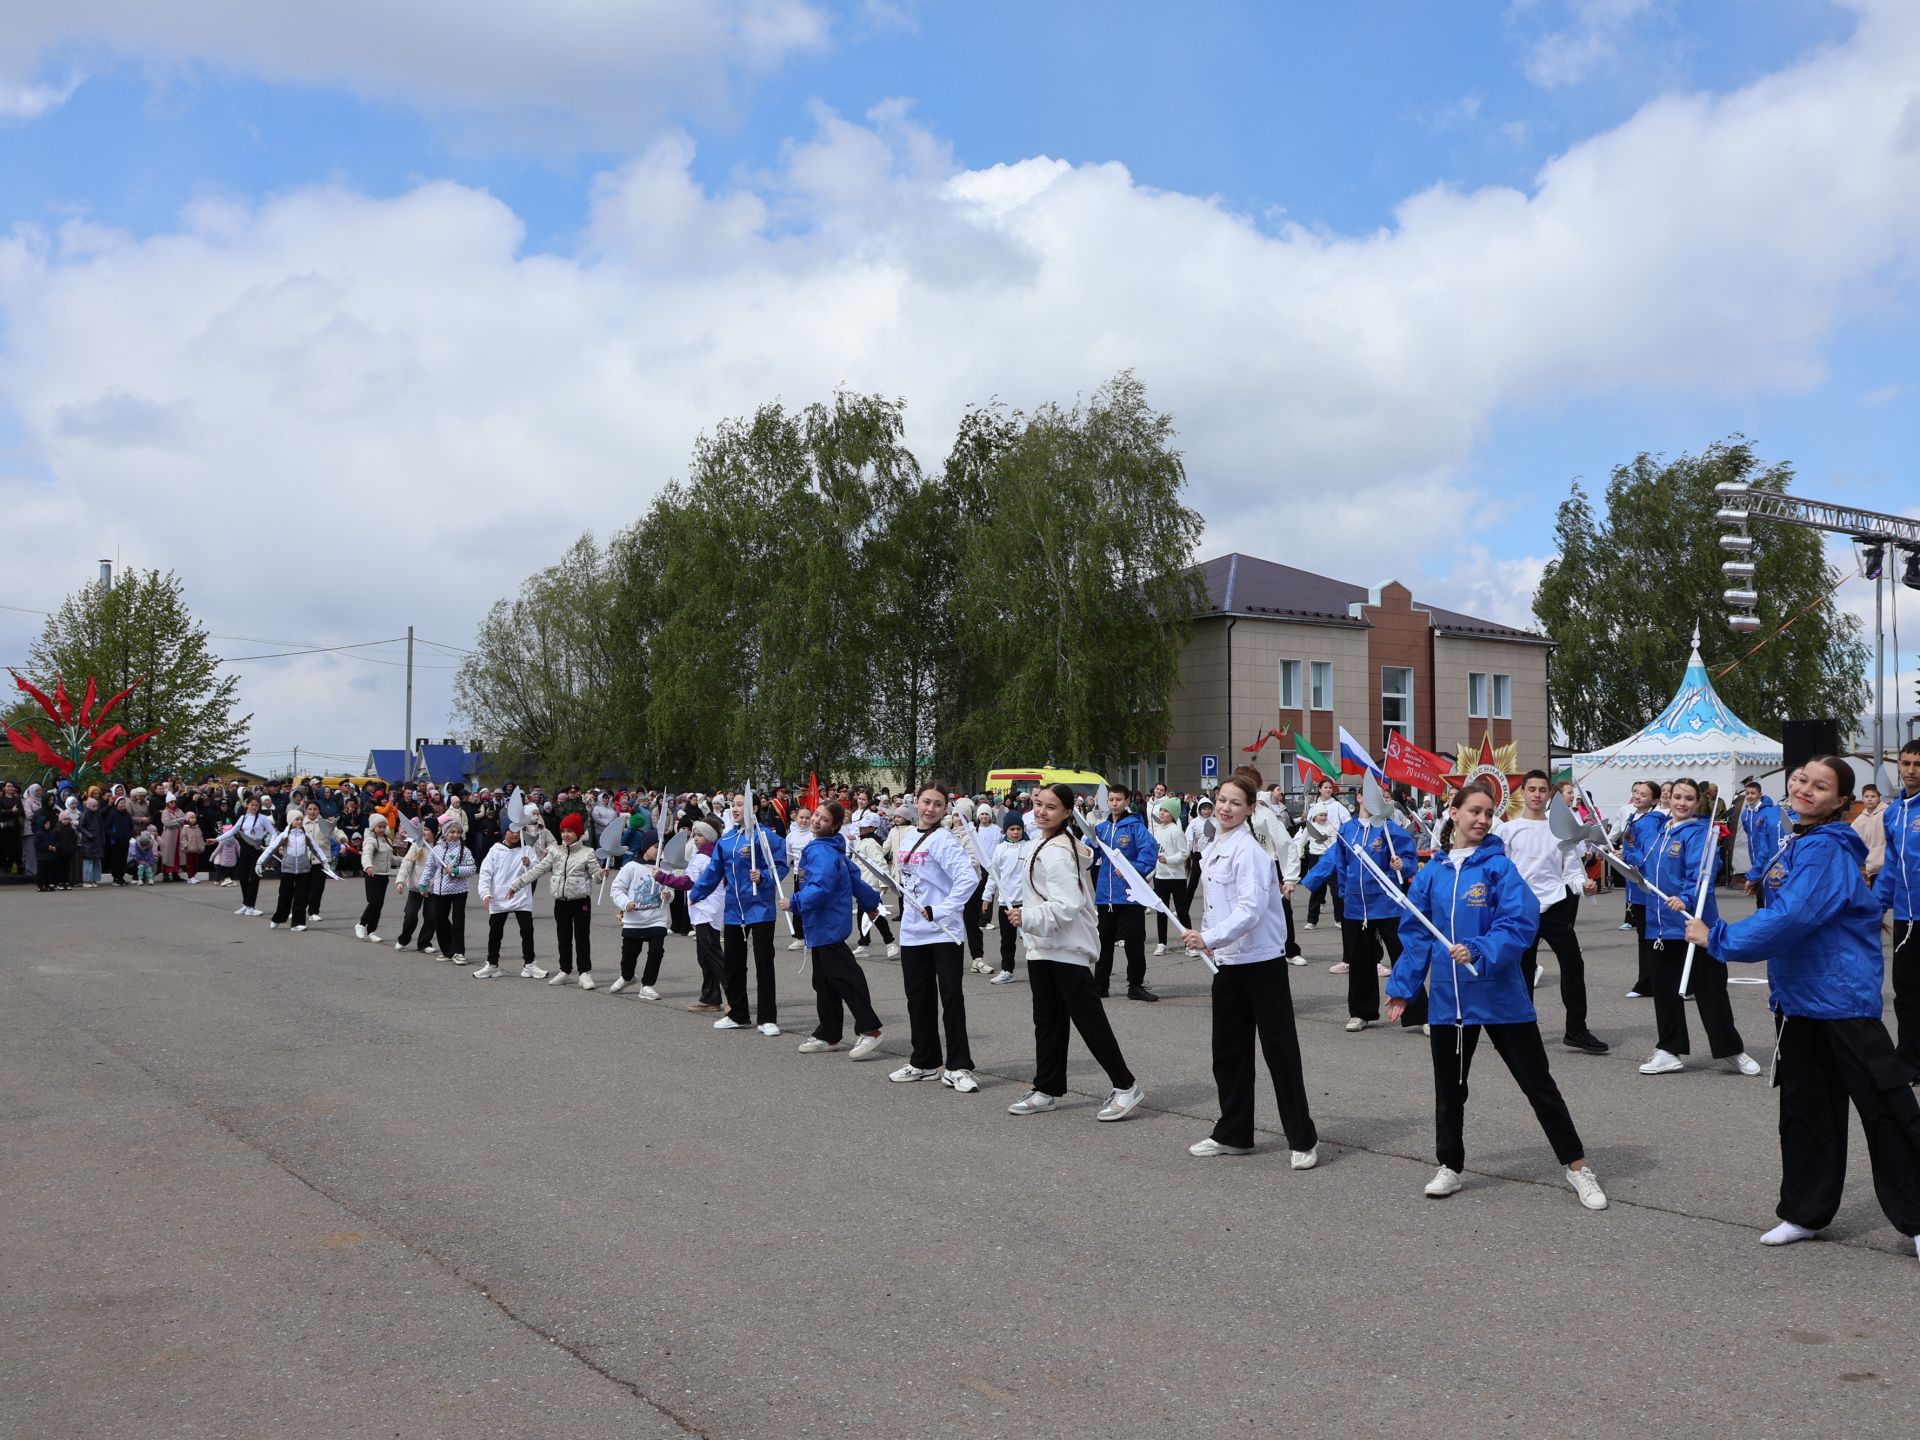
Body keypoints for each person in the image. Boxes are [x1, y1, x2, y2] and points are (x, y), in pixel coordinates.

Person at [1688, 755, 1920, 1256]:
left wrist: (1720, 938)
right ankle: (1805, 1212)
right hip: (1796, 1000)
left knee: (1887, 1108)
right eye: (1801, 780)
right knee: (1805, 1110)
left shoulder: (1828, 850)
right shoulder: (1798, 841)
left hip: (1841, 998)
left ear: (1841, 801)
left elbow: (1795, 916)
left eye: (1820, 786)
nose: (1805, 789)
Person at [1385, 780, 1609, 1211]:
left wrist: (1479, 949)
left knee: (1538, 1085)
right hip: (1452, 1002)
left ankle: (1578, 1167)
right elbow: (1415, 936)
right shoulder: (1431, 873)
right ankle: (1449, 1165)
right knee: (1450, 1089)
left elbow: (1519, 925)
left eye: (1488, 813)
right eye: (1474, 811)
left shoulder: (1500, 868)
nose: (1482, 820)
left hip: (1503, 996)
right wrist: (1402, 988)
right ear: (1453, 813)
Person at [1181, 767, 1318, 1164]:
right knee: (1228, 1053)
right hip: (1227, 965)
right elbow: (1215, 907)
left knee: (1280, 1053)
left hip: (1262, 965)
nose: (1225, 808)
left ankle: (1302, 1139)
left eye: (1235, 803)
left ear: (1250, 809)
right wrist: (1210, 942)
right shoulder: (1214, 848)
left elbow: (1251, 910)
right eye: (1221, 800)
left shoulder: (1252, 853)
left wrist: (1209, 938)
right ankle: (1234, 1133)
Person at [1003, 782, 1145, 1121]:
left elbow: (1068, 904)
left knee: (1089, 1021)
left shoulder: (1058, 851)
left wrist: (1028, 916)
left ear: (1068, 813)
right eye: (1039, 804)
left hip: (1066, 948)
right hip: (1043, 946)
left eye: (1051, 807)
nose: (1041, 811)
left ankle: (1126, 1086)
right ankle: (1046, 1088)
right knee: (1047, 1022)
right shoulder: (1045, 841)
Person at [1637, 777, 1761, 1078]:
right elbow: (1645, 865)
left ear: (1697, 803)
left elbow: (1702, 875)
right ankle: (1669, 1049)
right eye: (1676, 796)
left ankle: (1731, 1050)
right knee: (1665, 991)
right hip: (1660, 925)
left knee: (1711, 989)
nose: (1681, 803)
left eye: (1688, 798)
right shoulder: (1659, 832)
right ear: (1668, 799)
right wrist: (1624, 860)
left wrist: (1687, 898)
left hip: (1697, 923)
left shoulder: (1702, 834)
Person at [1488, 771, 1607, 1053]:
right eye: (1532, 789)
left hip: (1555, 906)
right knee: (1522, 971)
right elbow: (1495, 871)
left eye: (1543, 789)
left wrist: (1584, 885)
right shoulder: (1506, 830)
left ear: (1549, 795)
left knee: (1573, 966)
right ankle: (1521, 1029)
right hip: (1520, 909)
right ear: (1523, 793)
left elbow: (1572, 870)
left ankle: (1576, 1030)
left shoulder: (1561, 831)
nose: (1537, 794)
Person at [1299, 792, 1421, 1032]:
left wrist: (1402, 864)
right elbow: (1336, 860)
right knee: (1360, 961)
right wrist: (1307, 882)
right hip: (1356, 907)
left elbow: (1409, 859)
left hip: (1388, 904)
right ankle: (1361, 1012)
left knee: (1403, 957)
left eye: (1384, 796)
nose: (1380, 799)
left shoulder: (1390, 829)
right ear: (1359, 797)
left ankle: (1420, 1013)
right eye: (1375, 794)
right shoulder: (1347, 830)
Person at [886, 782, 979, 1091]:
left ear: (945, 809)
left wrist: (940, 910)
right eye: (926, 802)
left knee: (951, 998)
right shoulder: (909, 836)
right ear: (917, 804)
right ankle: (924, 1061)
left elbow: (968, 879)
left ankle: (958, 1066)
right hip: (912, 933)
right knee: (918, 1000)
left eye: (937, 804)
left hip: (943, 932)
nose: (930, 809)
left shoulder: (945, 841)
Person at [784, 799, 887, 1059]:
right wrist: (871, 902)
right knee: (824, 982)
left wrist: (794, 902)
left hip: (827, 925)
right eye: (817, 815)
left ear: (834, 826)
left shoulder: (822, 851)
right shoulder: (831, 849)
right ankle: (828, 1034)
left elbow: (820, 887)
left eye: (824, 819)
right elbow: (854, 878)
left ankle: (870, 1029)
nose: (817, 820)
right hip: (821, 927)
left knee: (846, 978)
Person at [684, 795, 787, 1032]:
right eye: (734, 805)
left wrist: (763, 877)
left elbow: (780, 866)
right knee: (733, 964)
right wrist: (696, 893)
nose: (736, 809)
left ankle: (767, 1018)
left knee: (764, 963)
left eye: (741, 804)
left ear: (754, 808)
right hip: (733, 910)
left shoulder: (766, 837)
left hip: (760, 908)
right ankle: (738, 1014)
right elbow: (713, 872)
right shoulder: (727, 840)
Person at [510, 811, 603, 989]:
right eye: (563, 831)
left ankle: (584, 973)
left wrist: (601, 874)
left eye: (570, 831)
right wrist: (516, 884)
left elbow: (597, 877)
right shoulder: (554, 851)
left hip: (581, 901)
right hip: (561, 902)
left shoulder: (587, 852)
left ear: (578, 832)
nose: (565, 835)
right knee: (563, 937)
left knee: (582, 937)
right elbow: (537, 870)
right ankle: (565, 971)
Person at [1091, 782, 1160, 1001]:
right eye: (1111, 799)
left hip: (1131, 896)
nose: (1114, 803)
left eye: (1118, 799)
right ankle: (1100, 985)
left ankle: (1136, 986)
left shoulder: (1135, 826)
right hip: (1106, 896)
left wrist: (1132, 869)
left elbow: (1149, 852)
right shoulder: (1100, 828)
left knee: (1134, 943)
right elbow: (1087, 853)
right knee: (1103, 943)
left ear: (1127, 801)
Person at [1875, 738, 1920, 1073]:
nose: (1911, 771)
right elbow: (1891, 866)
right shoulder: (1893, 813)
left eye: (1917, 764)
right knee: (1906, 994)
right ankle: (1909, 1061)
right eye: (1906, 764)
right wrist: (1876, 906)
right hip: (1906, 918)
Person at [476, 819, 546, 979]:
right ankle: (492, 964)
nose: (514, 835)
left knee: (527, 930)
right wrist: (485, 893)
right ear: (504, 832)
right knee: (495, 931)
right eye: (511, 831)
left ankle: (529, 965)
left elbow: (537, 871)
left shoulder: (527, 849)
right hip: (499, 897)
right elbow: (485, 873)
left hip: (521, 896)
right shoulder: (495, 850)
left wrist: (529, 864)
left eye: (517, 831)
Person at [1613, 780, 1663, 994]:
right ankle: (1647, 981)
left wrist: (1626, 854)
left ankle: (1648, 983)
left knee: (1647, 936)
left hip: (1646, 884)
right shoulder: (1634, 817)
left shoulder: (1651, 822)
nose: (1638, 796)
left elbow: (1646, 856)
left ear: (1653, 800)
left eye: (1644, 794)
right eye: (1635, 792)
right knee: (1643, 935)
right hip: (1635, 883)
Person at [979, 813, 1030, 984]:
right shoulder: (1000, 849)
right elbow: (993, 876)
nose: (1015, 832)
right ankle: (1007, 970)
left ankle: (1042, 971)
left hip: (1027, 902)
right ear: (1005, 831)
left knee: (1033, 939)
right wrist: (987, 896)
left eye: (1018, 829)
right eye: (1012, 829)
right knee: (1007, 940)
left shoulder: (1030, 846)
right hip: (1006, 903)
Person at [683, 820, 728, 1011]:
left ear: (709, 836)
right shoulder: (706, 855)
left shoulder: (705, 857)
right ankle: (710, 996)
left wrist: (662, 877)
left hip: (706, 910)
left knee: (713, 954)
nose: (695, 839)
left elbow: (689, 882)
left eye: (699, 835)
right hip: (706, 909)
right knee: (705, 956)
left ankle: (734, 997)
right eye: (694, 835)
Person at [258, 811, 327, 931]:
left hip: (303, 871)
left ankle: (297, 923)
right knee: (285, 896)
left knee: (301, 897)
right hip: (287, 871)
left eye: (301, 819)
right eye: (297, 819)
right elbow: (271, 848)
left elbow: (316, 848)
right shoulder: (284, 836)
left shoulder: (305, 835)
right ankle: (278, 918)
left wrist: (325, 862)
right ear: (290, 821)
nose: (300, 822)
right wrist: (260, 862)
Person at [419, 819, 476, 963]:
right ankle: (447, 951)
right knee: (439, 921)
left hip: (459, 891)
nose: (455, 835)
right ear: (445, 833)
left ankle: (458, 952)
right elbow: (430, 868)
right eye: (452, 832)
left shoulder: (465, 851)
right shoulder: (436, 849)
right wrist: (423, 884)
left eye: (458, 832)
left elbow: (471, 869)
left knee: (458, 921)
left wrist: (457, 870)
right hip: (440, 891)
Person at [1148, 798, 1192, 954]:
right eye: (1161, 810)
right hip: (1161, 877)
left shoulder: (1176, 831)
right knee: (1162, 911)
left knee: (1182, 912)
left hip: (1177, 878)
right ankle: (1162, 943)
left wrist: (1168, 860)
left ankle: (1189, 944)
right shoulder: (1158, 830)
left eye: (1166, 811)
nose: (1162, 813)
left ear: (1173, 814)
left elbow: (1184, 853)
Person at [354, 812, 397, 942]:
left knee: (379, 905)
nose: (382, 829)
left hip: (384, 876)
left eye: (384, 826)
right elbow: (366, 855)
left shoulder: (387, 840)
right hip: (372, 875)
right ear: (373, 827)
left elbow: (391, 858)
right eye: (380, 826)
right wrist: (368, 866)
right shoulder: (370, 840)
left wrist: (406, 860)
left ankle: (372, 930)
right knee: (374, 902)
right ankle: (361, 924)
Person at [1740, 778, 1782, 903]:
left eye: (1753, 793)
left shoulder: (1769, 812)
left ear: (1760, 794)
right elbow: (1750, 835)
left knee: (1769, 893)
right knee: (1759, 895)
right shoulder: (1745, 815)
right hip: (1755, 860)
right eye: (1747, 793)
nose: (1750, 796)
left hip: (1767, 859)